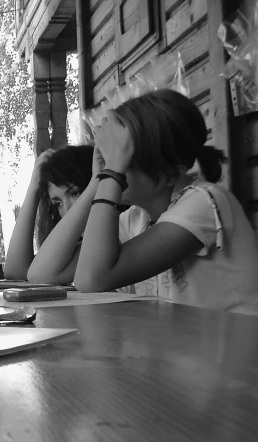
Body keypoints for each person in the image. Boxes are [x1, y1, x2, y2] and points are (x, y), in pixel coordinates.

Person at [28, 89, 258, 314]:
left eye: (123, 159)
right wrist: (94, 184)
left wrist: (111, 174)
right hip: (193, 348)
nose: (113, 169)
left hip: (239, 349)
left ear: (169, 174)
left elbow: (91, 279)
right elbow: (43, 274)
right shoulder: (136, 219)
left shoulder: (203, 202)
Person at [4, 145, 93, 281]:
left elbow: (30, 277)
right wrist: (34, 189)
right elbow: (16, 274)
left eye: (75, 193)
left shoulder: (119, 233)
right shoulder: (84, 245)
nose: (68, 211)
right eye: (58, 203)